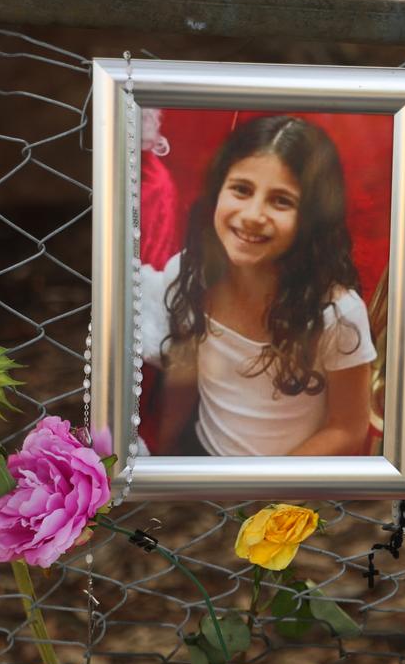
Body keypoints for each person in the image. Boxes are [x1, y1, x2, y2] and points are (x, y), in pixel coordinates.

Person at [150, 115, 376, 456]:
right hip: (202, 457)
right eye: (241, 189)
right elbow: (184, 371)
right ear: (217, 190)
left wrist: (266, 495)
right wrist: (163, 454)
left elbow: (348, 428)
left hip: (285, 490)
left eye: (281, 200)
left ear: (312, 218)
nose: (254, 215)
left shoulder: (338, 314)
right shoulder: (188, 273)